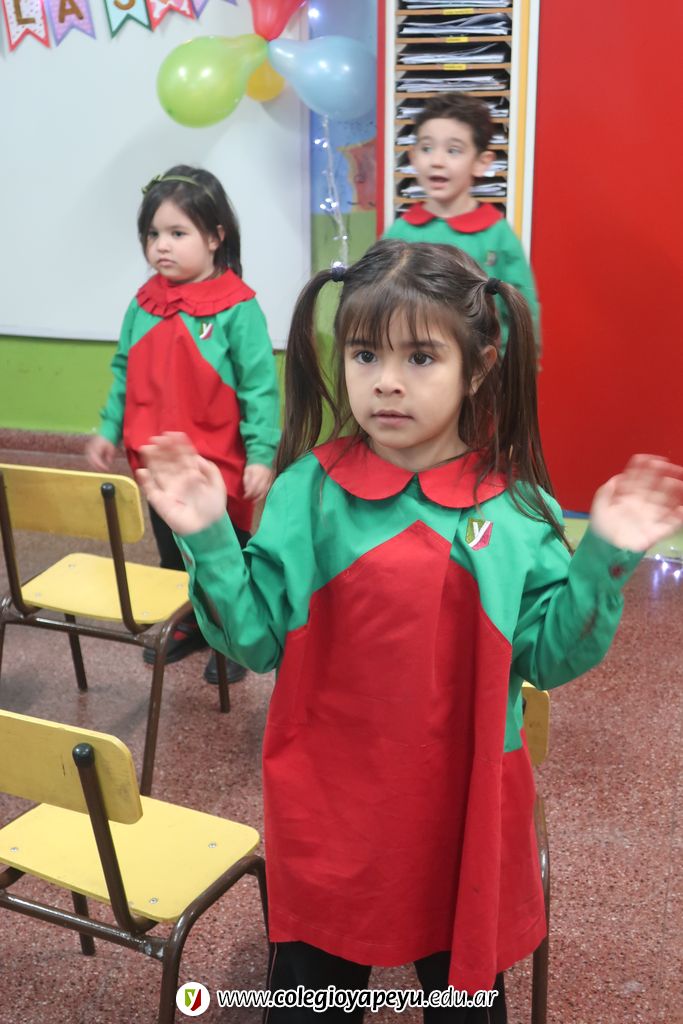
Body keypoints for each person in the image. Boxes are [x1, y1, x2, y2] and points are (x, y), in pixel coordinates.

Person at [137, 240, 683, 1022]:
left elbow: (550, 655)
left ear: (479, 365)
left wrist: (602, 557)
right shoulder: (307, 493)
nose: (386, 382)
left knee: (463, 1005)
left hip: (463, 812)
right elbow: (252, 642)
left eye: (420, 357)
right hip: (329, 811)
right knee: (311, 1002)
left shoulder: (514, 508)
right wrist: (209, 536)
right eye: (365, 354)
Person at [86, 165, 280, 685]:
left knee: (226, 551)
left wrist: (262, 454)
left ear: (216, 237)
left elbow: (260, 389)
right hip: (154, 463)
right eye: (153, 234)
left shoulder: (238, 308)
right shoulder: (144, 303)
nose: (161, 246)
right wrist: (109, 428)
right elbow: (125, 371)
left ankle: (234, 630)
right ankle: (190, 620)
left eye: (177, 233)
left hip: (219, 466)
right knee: (173, 550)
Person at [384, 94, 540, 355]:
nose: (437, 161)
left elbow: (523, 311)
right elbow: (376, 302)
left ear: (481, 163)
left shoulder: (497, 234)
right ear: (413, 158)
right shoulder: (400, 232)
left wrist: (515, 367)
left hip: (482, 369)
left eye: (453, 150)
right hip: (414, 367)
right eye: (426, 148)